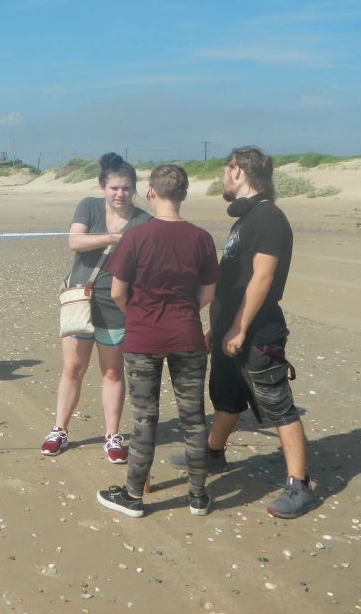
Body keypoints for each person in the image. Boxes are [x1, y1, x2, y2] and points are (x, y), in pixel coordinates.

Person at [170, 146, 318, 519]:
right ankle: (213, 453)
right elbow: (233, 281)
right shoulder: (247, 220)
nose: (223, 177)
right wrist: (216, 326)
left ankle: (299, 484)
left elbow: (263, 277)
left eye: (224, 170)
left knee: (277, 405)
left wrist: (239, 326)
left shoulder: (268, 218)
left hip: (257, 332)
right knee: (227, 395)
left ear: (237, 171)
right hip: (230, 328)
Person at [95, 165, 218, 518]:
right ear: (184, 194)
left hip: (144, 335)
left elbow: (118, 292)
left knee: (144, 418)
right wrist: (182, 310)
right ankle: (197, 495)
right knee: (193, 418)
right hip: (186, 334)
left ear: (150, 192)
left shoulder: (137, 236)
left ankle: (134, 496)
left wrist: (140, 312)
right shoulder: (201, 238)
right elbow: (208, 292)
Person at [41, 153, 150, 462]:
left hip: (117, 305)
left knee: (113, 372)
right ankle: (59, 429)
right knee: (73, 368)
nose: (120, 194)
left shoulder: (144, 221)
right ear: (103, 186)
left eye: (127, 188)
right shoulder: (89, 207)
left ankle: (112, 435)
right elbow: (74, 241)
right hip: (80, 300)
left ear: (134, 189)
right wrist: (114, 238)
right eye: (115, 187)